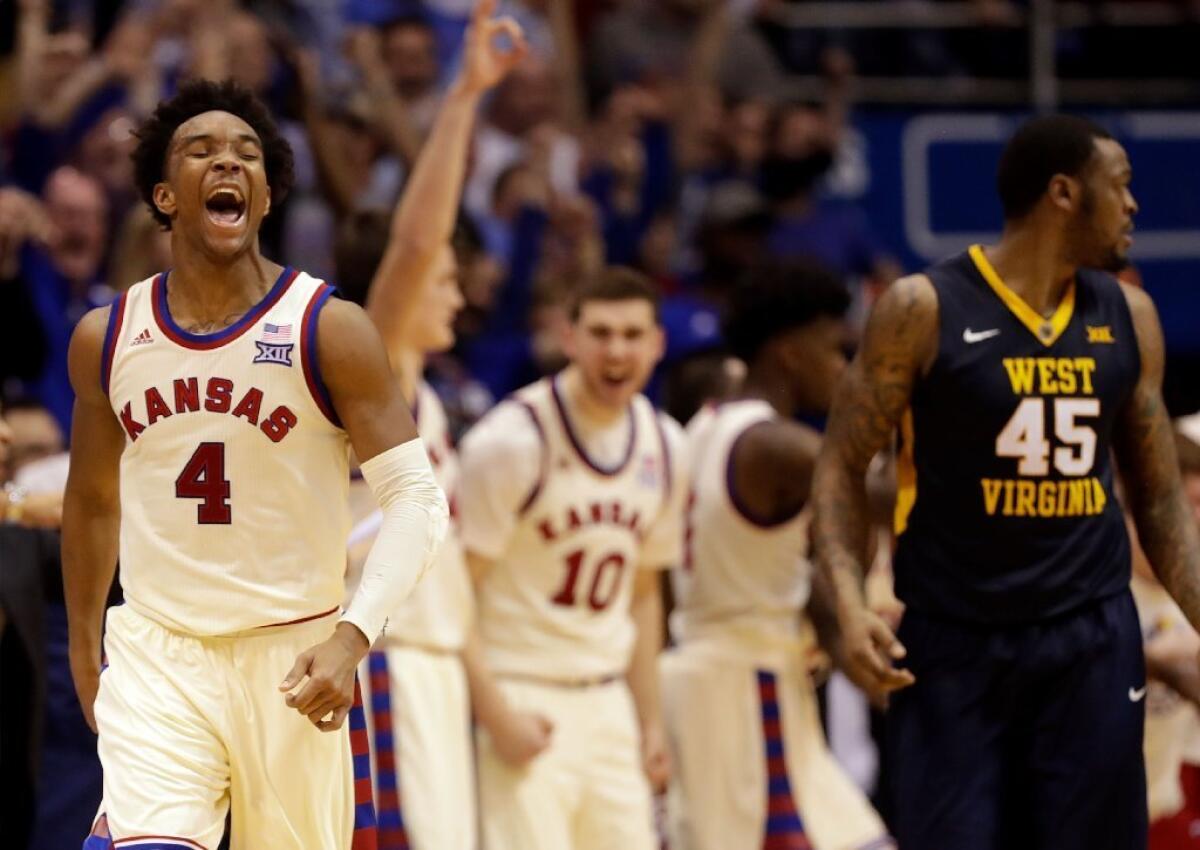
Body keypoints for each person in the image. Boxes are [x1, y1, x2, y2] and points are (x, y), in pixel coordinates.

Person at [62, 78, 449, 850]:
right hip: (160, 650)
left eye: (247, 155)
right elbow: (94, 501)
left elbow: (416, 499)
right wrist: (84, 648)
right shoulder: (106, 338)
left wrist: (352, 637)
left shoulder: (329, 329)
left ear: (268, 198)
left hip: (296, 655)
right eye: (200, 150)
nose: (227, 163)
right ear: (167, 195)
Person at [813, 114, 1200, 850]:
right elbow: (839, 464)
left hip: (1090, 639)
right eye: (1120, 187)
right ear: (1063, 193)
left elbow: (1154, 494)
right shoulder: (924, 309)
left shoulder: (1130, 317)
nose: (1134, 206)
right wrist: (845, 598)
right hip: (957, 642)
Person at [337, 3, 527, 848]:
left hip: (434, 678)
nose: (453, 292)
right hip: (380, 675)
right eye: (446, 279)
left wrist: (488, 701)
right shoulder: (372, 376)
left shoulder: (433, 403)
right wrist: (462, 99)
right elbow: (414, 247)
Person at [662, 259, 894, 850]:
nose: (843, 368)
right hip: (745, 687)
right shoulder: (773, 445)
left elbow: (807, 564)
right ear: (790, 353)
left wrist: (844, 637)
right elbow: (884, 501)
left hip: (721, 676)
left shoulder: (704, 428)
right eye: (834, 351)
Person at [457, 266, 686, 850]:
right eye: (601, 332)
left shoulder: (665, 444)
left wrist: (650, 720)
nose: (617, 351)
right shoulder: (510, 442)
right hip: (522, 689)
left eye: (633, 335)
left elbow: (643, 593)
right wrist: (494, 714)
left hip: (610, 702)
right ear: (569, 338)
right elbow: (452, 591)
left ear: (658, 344)